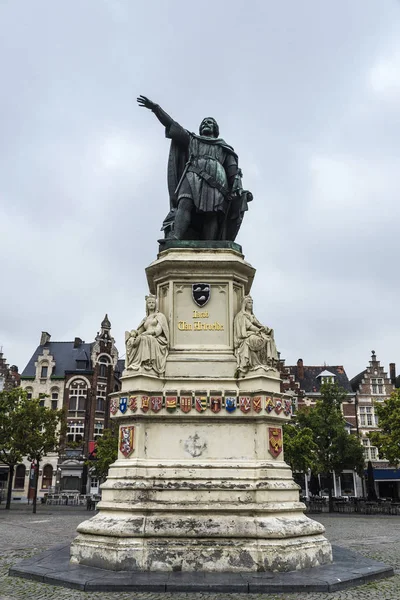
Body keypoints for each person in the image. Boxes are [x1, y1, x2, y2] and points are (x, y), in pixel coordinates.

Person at [137, 95, 252, 241]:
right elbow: (171, 124)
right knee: (184, 203)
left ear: (215, 129)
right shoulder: (192, 139)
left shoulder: (223, 147)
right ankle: (176, 237)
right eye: (204, 122)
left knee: (212, 213)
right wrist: (156, 109)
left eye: (210, 122)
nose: (206, 124)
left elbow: (233, 171)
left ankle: (210, 246)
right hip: (192, 175)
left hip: (217, 180)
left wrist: (238, 190)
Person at [233, 295, 278, 377]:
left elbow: (258, 324)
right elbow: (249, 326)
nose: (251, 304)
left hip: (253, 333)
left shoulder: (252, 316)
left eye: (252, 303)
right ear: (245, 304)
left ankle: (265, 363)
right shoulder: (242, 316)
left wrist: (265, 329)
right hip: (246, 336)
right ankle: (255, 364)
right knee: (258, 340)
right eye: (249, 302)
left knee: (269, 339)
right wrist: (258, 330)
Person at [125, 295, 169, 375]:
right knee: (131, 340)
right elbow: (140, 331)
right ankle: (135, 364)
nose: (151, 304)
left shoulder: (160, 316)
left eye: (153, 302)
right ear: (147, 305)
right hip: (146, 335)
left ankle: (147, 364)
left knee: (146, 339)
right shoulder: (145, 319)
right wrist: (133, 332)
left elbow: (158, 330)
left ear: (156, 304)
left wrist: (147, 333)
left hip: (156, 338)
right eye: (149, 303)